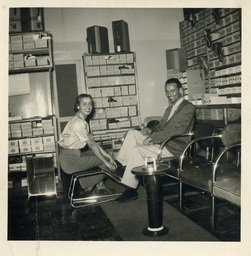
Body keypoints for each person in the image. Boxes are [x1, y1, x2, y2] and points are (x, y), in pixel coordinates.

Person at [113, 78, 195, 203]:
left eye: (172, 91)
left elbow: (178, 130)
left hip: (174, 147)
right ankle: (121, 166)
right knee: (132, 133)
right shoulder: (169, 109)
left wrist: (153, 138)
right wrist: (150, 130)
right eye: (167, 91)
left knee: (137, 150)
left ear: (181, 91)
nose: (169, 94)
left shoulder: (188, 107)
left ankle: (130, 190)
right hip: (162, 142)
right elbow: (161, 126)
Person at [58, 93, 117, 195]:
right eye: (84, 104)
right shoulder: (78, 123)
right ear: (78, 106)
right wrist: (107, 161)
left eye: (90, 103)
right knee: (105, 162)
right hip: (70, 160)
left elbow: (93, 142)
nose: (88, 107)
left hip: (72, 155)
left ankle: (98, 187)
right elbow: (92, 145)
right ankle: (89, 187)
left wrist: (107, 155)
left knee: (104, 156)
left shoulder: (81, 120)